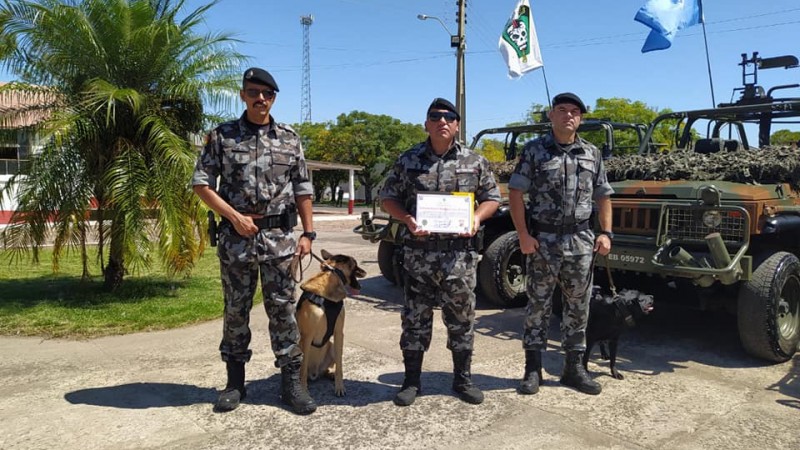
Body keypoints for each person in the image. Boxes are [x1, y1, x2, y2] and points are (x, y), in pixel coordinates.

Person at [192, 67, 318, 415]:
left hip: (279, 239)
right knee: (236, 311)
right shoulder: (222, 136)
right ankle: (234, 383)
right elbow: (202, 183)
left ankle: (292, 384)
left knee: (283, 309)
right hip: (236, 240)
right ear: (243, 95)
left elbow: (303, 189)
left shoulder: (290, 139)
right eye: (252, 92)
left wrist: (307, 233)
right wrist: (233, 216)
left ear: (274, 97)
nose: (260, 98)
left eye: (266, 93)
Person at [380, 98, 500, 406]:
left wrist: (476, 218)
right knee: (414, 320)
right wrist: (406, 219)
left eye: (449, 117)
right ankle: (411, 381)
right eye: (435, 116)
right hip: (417, 256)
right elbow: (388, 198)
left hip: (459, 258)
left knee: (461, 319)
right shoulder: (408, 160)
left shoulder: (475, 161)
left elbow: (492, 198)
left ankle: (463, 379)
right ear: (426, 124)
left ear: (457, 125)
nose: (442, 121)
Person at [508, 92, 614, 396]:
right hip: (543, 239)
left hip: (581, 240)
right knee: (538, 305)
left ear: (580, 118)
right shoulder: (534, 151)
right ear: (550, 116)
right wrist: (523, 235)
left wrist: (606, 233)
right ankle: (532, 369)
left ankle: (574, 368)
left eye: (574, 112)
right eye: (562, 110)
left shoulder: (592, 153)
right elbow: (516, 193)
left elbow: (603, 195)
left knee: (578, 306)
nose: (568, 115)